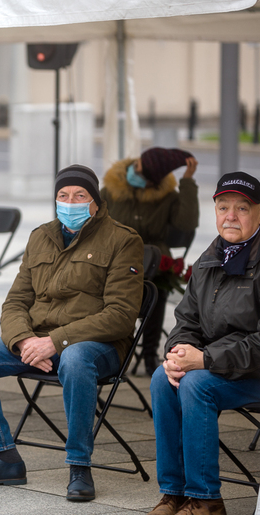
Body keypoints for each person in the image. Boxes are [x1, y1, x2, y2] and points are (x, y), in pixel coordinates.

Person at [0, 165, 144, 502]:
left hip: (97, 347)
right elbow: (15, 302)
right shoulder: (40, 236)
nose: (70, 202)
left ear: (95, 202)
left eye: (80, 196)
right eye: (63, 196)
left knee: (75, 357)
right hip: (38, 342)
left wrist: (54, 343)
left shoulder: (122, 239)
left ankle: (79, 465)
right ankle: (3, 456)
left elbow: (121, 316)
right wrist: (24, 340)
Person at [148, 172, 260, 515]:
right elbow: (187, 320)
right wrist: (178, 353)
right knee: (162, 379)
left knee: (195, 385)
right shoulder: (212, 256)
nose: (230, 215)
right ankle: (174, 493)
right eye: (223, 207)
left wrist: (206, 360)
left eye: (242, 208)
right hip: (216, 366)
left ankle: (206, 500)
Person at [101, 147, 199, 376]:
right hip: (117, 257)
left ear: (155, 181)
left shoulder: (166, 196)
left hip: (154, 260)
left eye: (145, 176)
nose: (138, 174)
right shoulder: (110, 191)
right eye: (137, 169)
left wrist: (187, 183)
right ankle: (114, 351)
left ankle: (149, 353)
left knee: (155, 290)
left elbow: (186, 223)